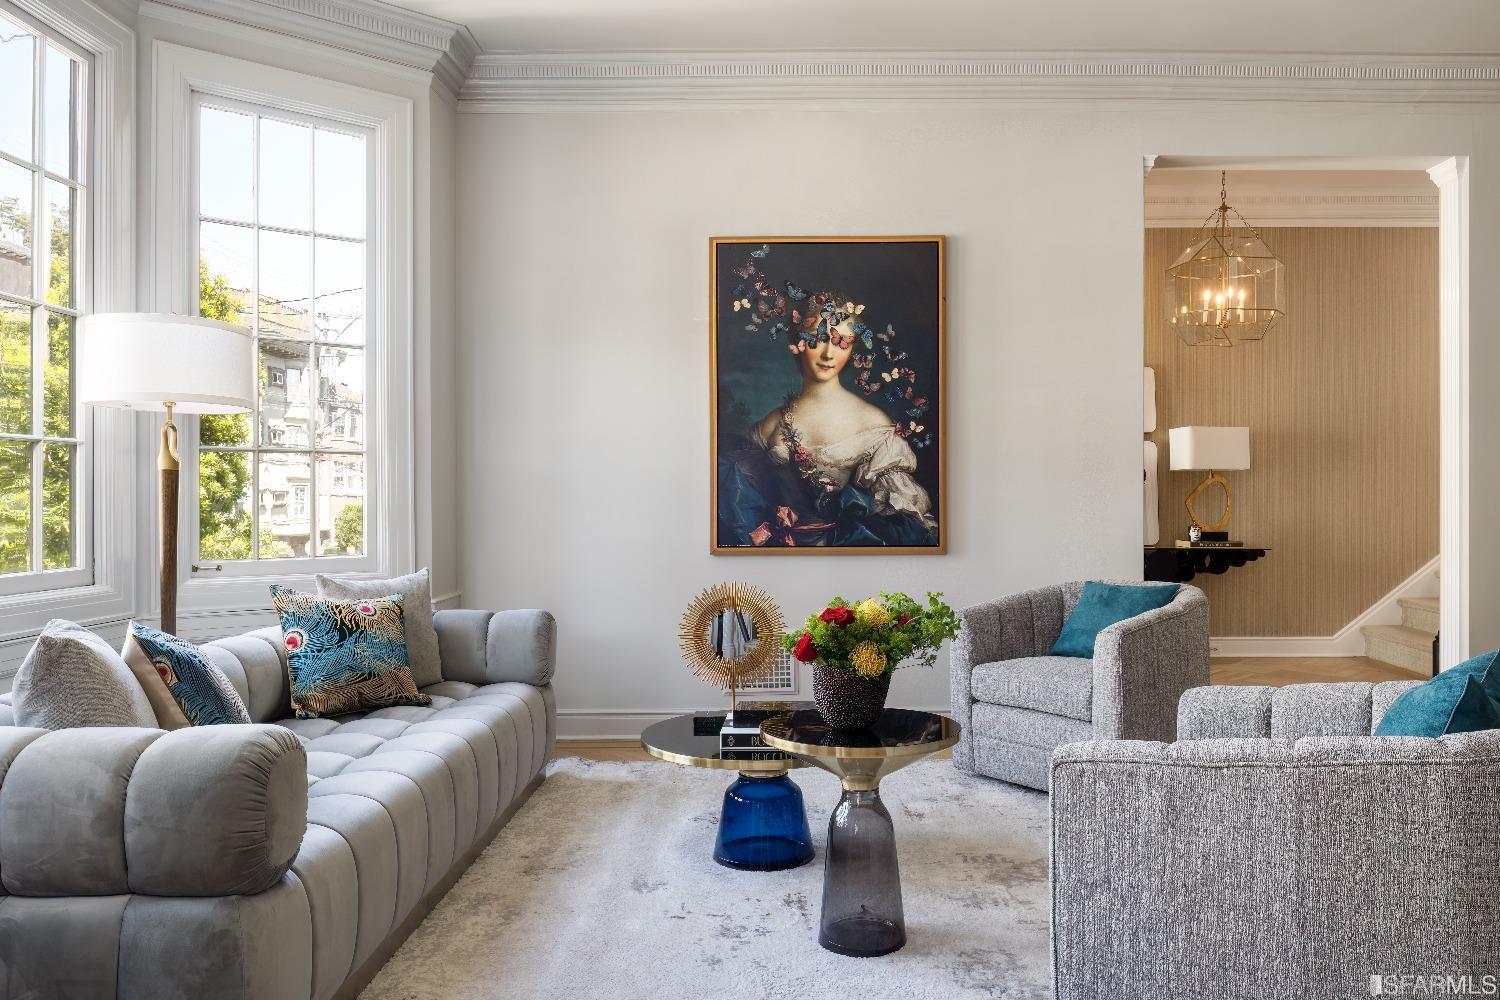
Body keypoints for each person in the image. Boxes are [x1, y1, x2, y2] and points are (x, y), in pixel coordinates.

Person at [718, 288, 937, 548]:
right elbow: (742, 499)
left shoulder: (872, 422)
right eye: (817, 338)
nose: (828, 354)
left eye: (842, 341)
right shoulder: (771, 424)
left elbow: (901, 522)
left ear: (853, 345)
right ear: (796, 341)